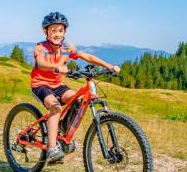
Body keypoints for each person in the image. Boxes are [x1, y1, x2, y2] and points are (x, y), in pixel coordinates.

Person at [31, 12, 120, 163]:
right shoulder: (41, 47)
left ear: (65, 31)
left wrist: (109, 66)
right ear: (46, 31)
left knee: (77, 101)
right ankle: (52, 149)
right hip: (40, 84)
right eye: (53, 30)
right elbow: (41, 63)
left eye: (60, 30)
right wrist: (56, 66)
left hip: (58, 85)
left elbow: (88, 57)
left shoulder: (67, 47)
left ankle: (61, 131)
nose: (57, 34)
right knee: (55, 107)